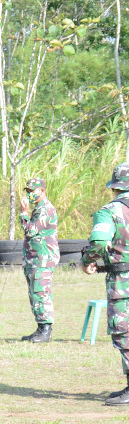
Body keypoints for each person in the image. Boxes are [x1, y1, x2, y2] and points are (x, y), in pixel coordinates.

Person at [81, 161, 129, 405]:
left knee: (125, 334)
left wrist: (87, 260)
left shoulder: (109, 212)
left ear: (115, 187)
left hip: (123, 283)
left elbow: (100, 242)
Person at [20, 177, 59, 342]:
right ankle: (40, 329)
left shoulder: (45, 209)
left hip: (43, 258)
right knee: (34, 294)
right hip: (35, 259)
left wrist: (24, 213)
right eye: (27, 191)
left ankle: (45, 330)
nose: (29, 194)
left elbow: (30, 231)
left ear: (42, 191)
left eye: (32, 191)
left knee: (40, 293)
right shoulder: (38, 209)